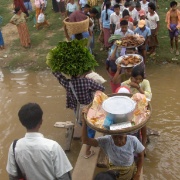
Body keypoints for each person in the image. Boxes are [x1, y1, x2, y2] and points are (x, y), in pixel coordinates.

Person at [6, 103, 73, 180]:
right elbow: (64, 177)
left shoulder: (14, 147)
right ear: (41, 121)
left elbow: (12, 176)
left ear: (22, 122)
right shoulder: (53, 147)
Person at [53, 71, 105, 158]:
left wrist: (55, 68)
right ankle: (87, 152)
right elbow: (101, 88)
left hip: (77, 110)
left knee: (83, 125)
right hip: (88, 111)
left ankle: (86, 139)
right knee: (91, 131)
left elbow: (58, 75)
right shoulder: (87, 81)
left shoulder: (67, 83)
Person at [82, 109, 145, 180]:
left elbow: (141, 156)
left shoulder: (133, 140)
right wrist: (84, 122)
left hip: (129, 170)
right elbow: (85, 140)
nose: (118, 140)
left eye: (121, 137)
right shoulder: (106, 141)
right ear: (111, 135)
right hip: (113, 170)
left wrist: (138, 173)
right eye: (115, 137)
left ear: (126, 134)